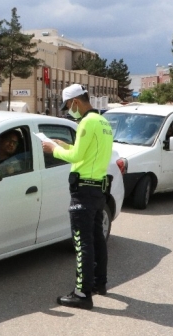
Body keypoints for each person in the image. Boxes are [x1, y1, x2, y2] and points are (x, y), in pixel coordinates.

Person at [42, 84, 113, 310]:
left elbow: (77, 156)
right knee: (96, 239)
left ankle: (82, 294)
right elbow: (88, 153)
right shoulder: (103, 122)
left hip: (84, 189)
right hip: (98, 188)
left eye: (68, 106)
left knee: (83, 242)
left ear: (75, 102)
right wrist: (66, 145)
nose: (68, 110)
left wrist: (52, 149)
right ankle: (98, 283)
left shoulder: (87, 121)